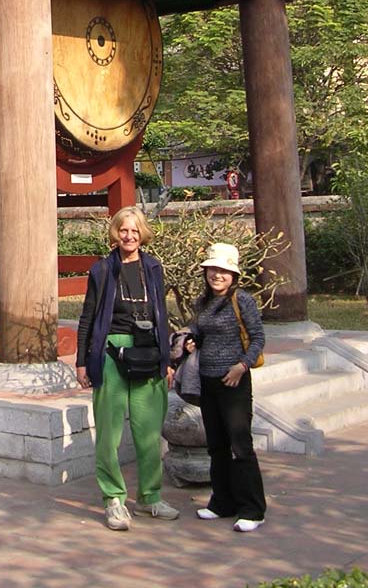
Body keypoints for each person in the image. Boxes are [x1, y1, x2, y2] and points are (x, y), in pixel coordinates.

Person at [76, 206, 178, 531]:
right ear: (115, 233)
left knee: (148, 430)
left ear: (142, 233)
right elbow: (87, 318)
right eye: (123, 230)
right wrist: (81, 360)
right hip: (110, 352)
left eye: (134, 231)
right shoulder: (103, 270)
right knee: (109, 431)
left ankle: (150, 496)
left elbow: (161, 313)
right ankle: (114, 499)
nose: (129, 236)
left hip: (148, 351)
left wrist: (167, 359)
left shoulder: (153, 268)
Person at [185, 242, 266, 533]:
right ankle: (222, 502)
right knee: (216, 445)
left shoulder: (242, 300)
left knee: (240, 445)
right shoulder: (203, 302)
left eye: (223, 271)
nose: (217, 275)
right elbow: (199, 330)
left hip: (234, 381)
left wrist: (241, 365)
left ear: (233, 276)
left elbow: (257, 337)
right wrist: (190, 340)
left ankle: (253, 508)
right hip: (208, 379)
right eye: (212, 270)